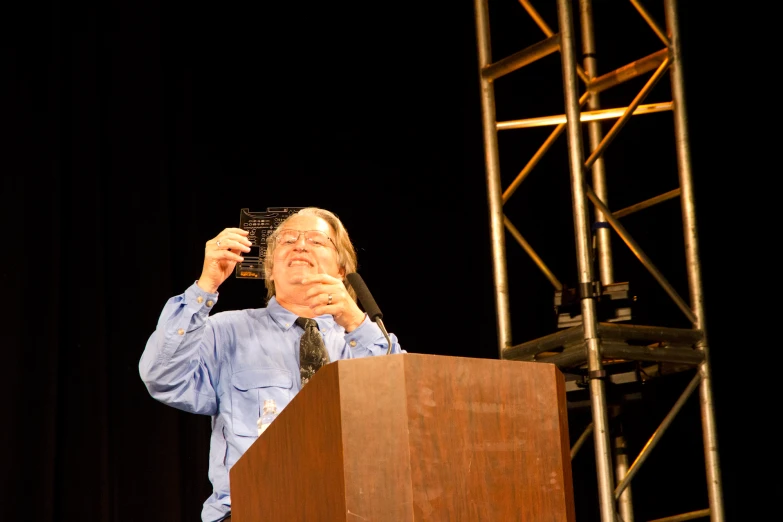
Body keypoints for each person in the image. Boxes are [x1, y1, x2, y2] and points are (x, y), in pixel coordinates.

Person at [139, 207, 402, 522]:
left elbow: (401, 411)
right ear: (271, 270)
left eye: (317, 241)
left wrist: (355, 322)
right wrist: (205, 286)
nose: (300, 245)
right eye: (288, 240)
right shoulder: (226, 332)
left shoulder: (365, 341)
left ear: (342, 271)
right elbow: (161, 375)